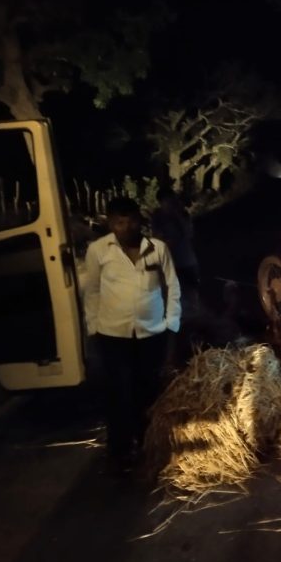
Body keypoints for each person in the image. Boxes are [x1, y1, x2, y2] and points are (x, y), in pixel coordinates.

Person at [83, 196, 181, 472]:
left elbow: (172, 287)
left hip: (151, 334)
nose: (125, 227)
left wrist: (170, 324)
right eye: (118, 222)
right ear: (110, 223)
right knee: (118, 393)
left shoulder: (157, 249)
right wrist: (93, 328)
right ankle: (119, 451)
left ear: (140, 220)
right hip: (112, 334)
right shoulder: (98, 250)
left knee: (147, 391)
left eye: (130, 221)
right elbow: (91, 292)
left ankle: (149, 445)